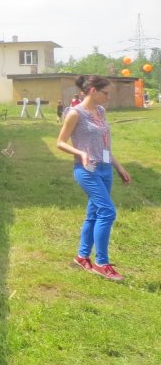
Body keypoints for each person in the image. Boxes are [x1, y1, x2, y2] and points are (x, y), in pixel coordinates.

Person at [56, 75, 132, 281]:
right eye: (105, 93)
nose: (108, 97)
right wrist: (80, 153)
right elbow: (60, 142)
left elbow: (104, 145)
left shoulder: (100, 111)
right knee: (107, 211)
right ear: (92, 91)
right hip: (87, 170)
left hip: (105, 169)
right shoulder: (75, 113)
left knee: (95, 213)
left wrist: (119, 167)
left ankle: (82, 257)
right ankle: (101, 263)